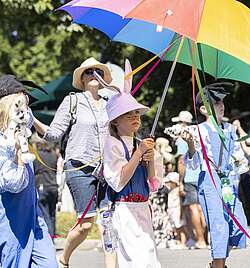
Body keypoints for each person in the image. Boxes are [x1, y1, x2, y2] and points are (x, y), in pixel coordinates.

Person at [33, 57, 116, 268]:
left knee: (109, 224)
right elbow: (53, 135)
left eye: (98, 71)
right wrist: (31, 118)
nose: (93, 74)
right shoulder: (73, 101)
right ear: (82, 78)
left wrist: (117, 91)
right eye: (89, 72)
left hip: (108, 169)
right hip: (79, 166)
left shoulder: (111, 102)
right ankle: (64, 259)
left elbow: (123, 129)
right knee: (85, 225)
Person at [0, 76, 57, 267]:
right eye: (20, 106)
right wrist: (19, 156)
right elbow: (12, 184)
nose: (25, 112)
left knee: (49, 264)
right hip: (10, 218)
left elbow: (52, 134)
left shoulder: (20, 134)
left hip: (33, 215)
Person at [182, 82, 248, 268]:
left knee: (236, 222)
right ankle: (219, 266)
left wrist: (241, 165)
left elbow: (238, 155)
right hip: (210, 180)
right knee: (219, 223)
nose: (221, 105)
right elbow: (194, 164)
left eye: (221, 102)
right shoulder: (199, 130)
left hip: (228, 181)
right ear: (204, 108)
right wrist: (191, 146)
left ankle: (217, 264)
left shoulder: (230, 129)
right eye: (216, 102)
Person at [102, 59, 161, 268]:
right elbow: (117, 181)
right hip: (125, 209)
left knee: (150, 259)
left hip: (143, 207)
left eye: (136, 113)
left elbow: (153, 182)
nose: (134, 117)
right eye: (127, 114)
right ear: (115, 121)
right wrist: (137, 155)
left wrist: (150, 158)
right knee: (136, 260)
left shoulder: (139, 142)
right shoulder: (112, 144)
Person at [174, 111, 208, 249]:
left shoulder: (183, 138)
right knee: (202, 208)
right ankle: (205, 238)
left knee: (193, 208)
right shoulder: (198, 135)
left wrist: (180, 181)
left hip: (189, 177)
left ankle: (200, 240)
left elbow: (182, 162)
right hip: (202, 174)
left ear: (182, 123)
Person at [32, 133, 59, 238]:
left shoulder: (37, 156)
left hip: (42, 186)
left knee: (44, 215)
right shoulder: (53, 154)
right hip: (53, 186)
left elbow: (33, 171)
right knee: (52, 215)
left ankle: (48, 239)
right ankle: (52, 237)